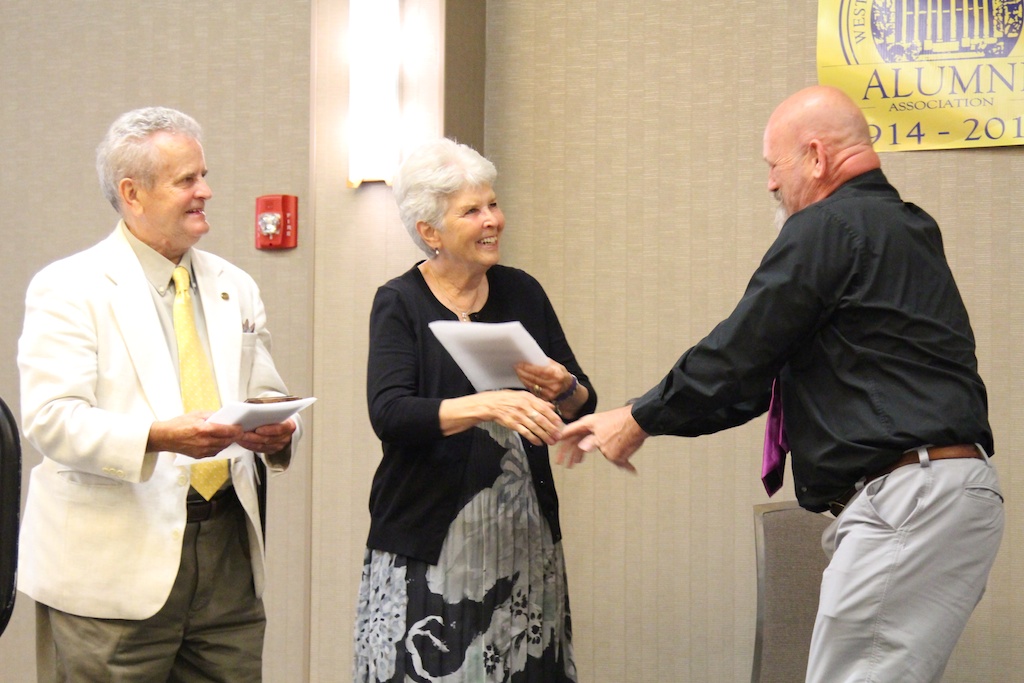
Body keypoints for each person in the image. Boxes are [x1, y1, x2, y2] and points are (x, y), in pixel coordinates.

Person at [557, 85, 1004, 683]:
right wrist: (642, 418)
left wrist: (638, 417)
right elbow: (754, 380)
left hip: (910, 499)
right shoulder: (906, 227)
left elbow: (741, 350)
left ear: (816, 157)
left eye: (775, 166)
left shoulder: (828, 226)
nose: (770, 183)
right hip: (945, 493)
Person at [17, 106, 302, 682]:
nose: (207, 192)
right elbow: (51, 420)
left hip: (226, 555)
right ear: (133, 193)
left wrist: (277, 430)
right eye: (187, 181)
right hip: (112, 570)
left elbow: (265, 390)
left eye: (203, 175)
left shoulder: (235, 286)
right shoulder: (68, 287)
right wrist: (156, 437)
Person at [353, 138, 596, 682]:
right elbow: (391, 414)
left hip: (522, 542)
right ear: (430, 232)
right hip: (429, 547)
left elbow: (583, 401)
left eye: (492, 204)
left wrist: (565, 385)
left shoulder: (521, 292)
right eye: (472, 210)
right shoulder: (400, 302)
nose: (492, 220)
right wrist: (488, 404)